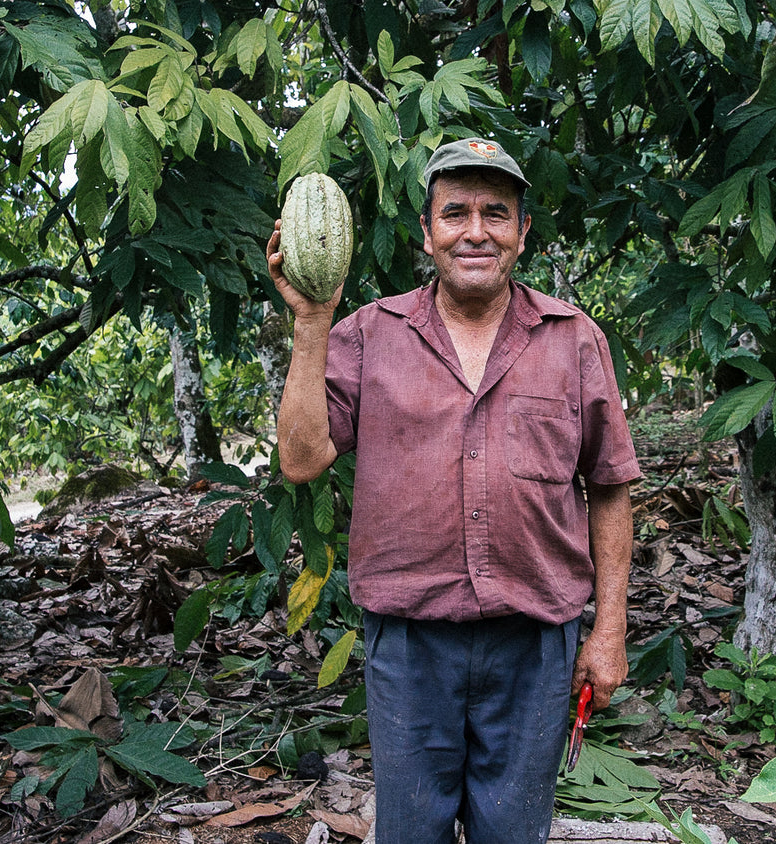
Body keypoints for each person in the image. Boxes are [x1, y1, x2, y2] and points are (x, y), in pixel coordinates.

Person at [266, 137, 640, 844]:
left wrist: (610, 629)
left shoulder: (573, 338)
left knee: (513, 832)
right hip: (410, 643)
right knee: (411, 834)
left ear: (523, 232)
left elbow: (611, 486)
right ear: (427, 231)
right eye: (456, 212)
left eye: (496, 213)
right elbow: (301, 459)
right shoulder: (368, 335)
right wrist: (312, 322)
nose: (475, 231)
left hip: (534, 642)